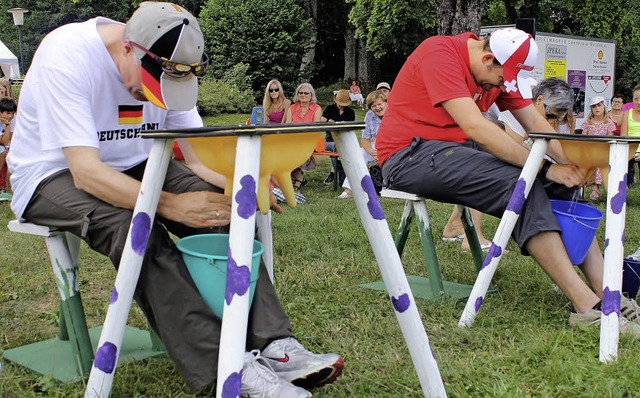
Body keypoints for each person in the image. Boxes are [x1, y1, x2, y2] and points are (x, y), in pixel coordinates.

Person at [6, 3, 343, 396]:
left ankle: (274, 344)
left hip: (137, 163)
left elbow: (197, 159)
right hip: (52, 172)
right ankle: (228, 369)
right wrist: (167, 204)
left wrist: (238, 184)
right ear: (130, 48)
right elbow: (85, 170)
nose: (153, 97)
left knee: (226, 212)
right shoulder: (66, 56)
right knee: (137, 229)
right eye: (150, 86)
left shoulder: (171, 62)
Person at [376, 28, 640, 336]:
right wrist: (544, 168)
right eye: (501, 79)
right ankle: (588, 308)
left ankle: (609, 294)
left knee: (564, 186)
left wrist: (570, 165)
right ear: (488, 59)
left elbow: (537, 123)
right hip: (408, 154)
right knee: (522, 182)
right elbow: (476, 127)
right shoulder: (440, 53)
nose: (502, 86)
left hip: (453, 149)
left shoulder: (496, 67)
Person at [338, 90, 385, 198]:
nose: (377, 108)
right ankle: (349, 189)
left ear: (385, 103)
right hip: (375, 146)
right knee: (359, 154)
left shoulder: (393, 114)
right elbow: (365, 139)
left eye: (379, 104)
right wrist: (372, 152)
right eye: (373, 106)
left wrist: (381, 152)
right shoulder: (369, 115)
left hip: (392, 145)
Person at [284, 82, 322, 191]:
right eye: (300, 93)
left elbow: (316, 129)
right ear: (297, 95)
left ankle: (297, 177)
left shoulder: (316, 108)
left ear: (311, 95)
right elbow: (287, 127)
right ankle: (297, 176)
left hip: (309, 140)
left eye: (306, 93)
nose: (303, 95)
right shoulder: (292, 108)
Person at [581, 96, 616, 201]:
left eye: (599, 105)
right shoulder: (588, 122)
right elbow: (583, 137)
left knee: (600, 164)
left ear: (604, 107)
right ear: (591, 109)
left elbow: (610, 137)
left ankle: (596, 188)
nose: (597, 108)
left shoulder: (608, 122)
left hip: (603, 150)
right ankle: (583, 187)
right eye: (594, 106)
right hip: (590, 150)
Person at [321, 89, 355, 187]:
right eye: (340, 103)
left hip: (344, 139)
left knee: (340, 146)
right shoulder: (329, 108)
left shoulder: (350, 112)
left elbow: (350, 129)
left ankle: (333, 172)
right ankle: (340, 177)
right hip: (330, 140)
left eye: (343, 104)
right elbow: (321, 122)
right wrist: (328, 122)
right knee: (337, 146)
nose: (341, 105)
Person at [621, 85, 640, 188]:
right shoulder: (627, 113)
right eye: (636, 99)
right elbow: (623, 135)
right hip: (629, 150)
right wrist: (629, 153)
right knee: (623, 180)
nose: (638, 102)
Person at [0, 97, 16, 201]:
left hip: (5, 145)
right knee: (4, 152)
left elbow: (11, 139)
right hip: (2, 146)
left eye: (12, 113)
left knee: (6, 151)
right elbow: (4, 141)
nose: (10, 116)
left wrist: (8, 125)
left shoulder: (14, 120)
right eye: (7, 113)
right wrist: (7, 125)